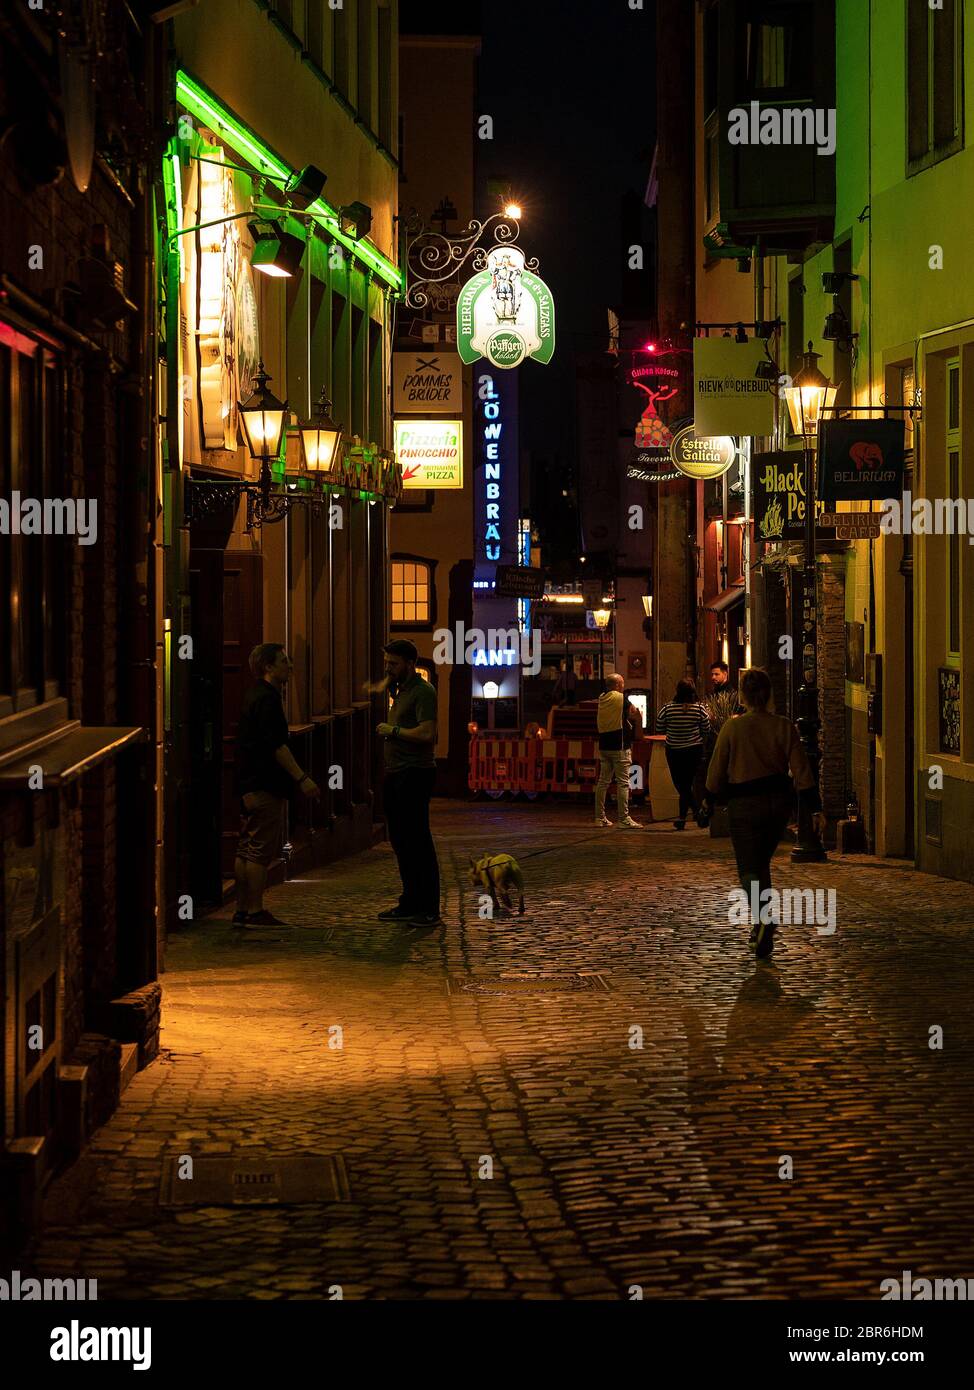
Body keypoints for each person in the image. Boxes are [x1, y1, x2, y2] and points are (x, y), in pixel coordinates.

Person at [704, 667, 827, 961]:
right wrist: (815, 807)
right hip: (777, 805)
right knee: (762, 863)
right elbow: (802, 772)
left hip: (744, 805)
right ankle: (760, 932)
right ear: (769, 693)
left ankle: (763, 918)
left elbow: (716, 769)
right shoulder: (784, 727)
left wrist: (708, 800)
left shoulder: (733, 728)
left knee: (748, 866)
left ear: (743, 695)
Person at [234, 643, 319, 928]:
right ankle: (255, 910)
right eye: (284, 661)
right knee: (259, 850)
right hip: (265, 783)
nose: (290, 666)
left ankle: (242, 909)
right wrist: (302, 778)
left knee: (246, 848)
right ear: (269, 667)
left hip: (249, 782)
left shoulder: (253, 695)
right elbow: (277, 746)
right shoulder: (268, 700)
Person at [375, 638, 442, 927]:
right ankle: (410, 901)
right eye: (387, 662)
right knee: (401, 841)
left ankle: (428, 907)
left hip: (414, 773)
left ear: (410, 663)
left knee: (418, 841)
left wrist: (394, 730)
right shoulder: (400, 689)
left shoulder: (423, 692)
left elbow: (427, 734)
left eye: (394, 663)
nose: (388, 668)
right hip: (396, 772)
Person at [656, 679, 711, 830]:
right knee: (687, 784)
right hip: (694, 750)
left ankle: (683, 818)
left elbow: (659, 726)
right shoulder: (700, 708)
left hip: (674, 751)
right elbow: (706, 728)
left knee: (681, 785)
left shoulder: (667, 708)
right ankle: (697, 813)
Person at [594, 674, 642, 829]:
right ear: (617, 685)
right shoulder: (621, 698)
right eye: (622, 683)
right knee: (623, 783)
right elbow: (634, 712)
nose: (623, 686)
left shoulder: (602, 697)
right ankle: (624, 818)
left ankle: (599, 817)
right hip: (619, 746)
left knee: (603, 782)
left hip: (604, 746)